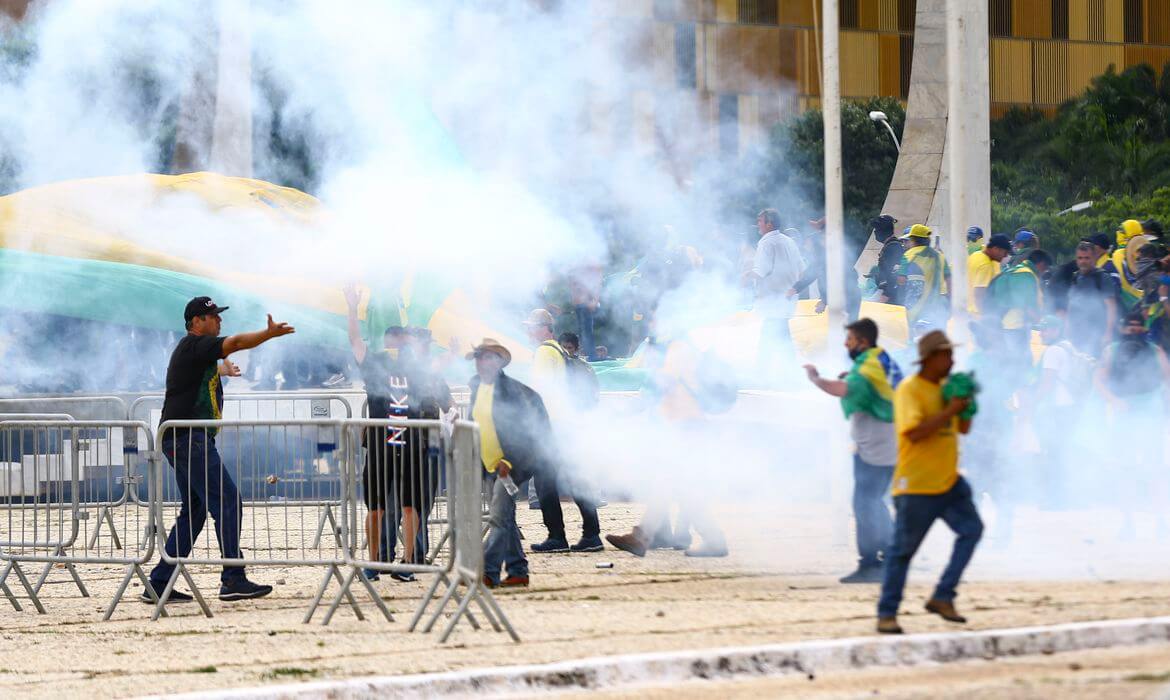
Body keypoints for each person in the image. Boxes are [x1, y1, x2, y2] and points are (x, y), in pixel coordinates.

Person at [144, 297, 295, 604]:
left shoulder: (196, 353)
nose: (218, 321)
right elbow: (237, 342)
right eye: (212, 316)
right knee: (227, 501)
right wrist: (267, 334)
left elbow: (199, 375)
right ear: (196, 322)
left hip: (183, 439)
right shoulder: (194, 346)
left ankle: (159, 583)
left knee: (196, 511)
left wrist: (221, 371)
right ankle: (233, 578)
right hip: (189, 439)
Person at [344, 286, 452, 582]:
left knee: (410, 505)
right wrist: (352, 309)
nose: (397, 344)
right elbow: (354, 340)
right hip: (381, 445)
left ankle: (406, 562)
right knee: (376, 507)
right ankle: (375, 562)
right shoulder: (375, 362)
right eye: (394, 339)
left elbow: (436, 372)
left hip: (412, 445)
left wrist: (449, 354)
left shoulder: (416, 367)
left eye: (401, 339)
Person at [877, 330, 982, 634]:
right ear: (930, 358)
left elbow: (962, 429)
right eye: (946, 355)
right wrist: (950, 409)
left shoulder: (947, 388)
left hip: (949, 480)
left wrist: (967, 406)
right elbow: (913, 432)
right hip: (917, 485)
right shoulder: (911, 389)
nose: (951, 361)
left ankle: (943, 595)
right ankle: (887, 614)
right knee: (902, 553)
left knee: (972, 530)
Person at [804, 318, 903, 584]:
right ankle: (894, 554)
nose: (846, 343)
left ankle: (871, 564)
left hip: (877, 444)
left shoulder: (868, 366)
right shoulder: (878, 359)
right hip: (886, 440)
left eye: (850, 339)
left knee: (865, 503)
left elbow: (843, 389)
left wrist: (816, 379)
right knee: (874, 501)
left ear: (863, 341)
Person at [469, 339, 554, 588]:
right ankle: (518, 571)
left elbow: (523, 433)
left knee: (497, 518)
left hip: (510, 466)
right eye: (478, 357)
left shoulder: (512, 392)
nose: (480, 362)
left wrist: (507, 460)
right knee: (505, 518)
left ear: (498, 361)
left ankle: (488, 572)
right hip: (489, 465)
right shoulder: (476, 386)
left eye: (485, 357)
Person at [522, 309, 603, 553]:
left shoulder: (544, 352)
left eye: (532, 326)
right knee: (575, 478)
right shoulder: (558, 350)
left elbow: (540, 392)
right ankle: (591, 533)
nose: (528, 330)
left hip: (552, 425)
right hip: (565, 423)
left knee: (545, 482)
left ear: (543, 328)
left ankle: (557, 536)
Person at [1093, 312, 1170, 539]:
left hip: (1150, 416)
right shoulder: (1112, 350)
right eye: (1130, 326)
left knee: (1155, 471)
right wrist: (1113, 400)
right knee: (1124, 470)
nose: (1134, 329)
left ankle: (1161, 523)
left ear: (1143, 328)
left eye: (1138, 326)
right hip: (1123, 416)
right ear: (1123, 328)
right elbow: (1098, 379)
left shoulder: (1155, 351)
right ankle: (1128, 523)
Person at [744, 208, 805, 378]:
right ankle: (786, 374)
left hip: (773, 299)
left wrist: (745, 277)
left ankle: (763, 375)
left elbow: (761, 270)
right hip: (788, 297)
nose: (758, 225)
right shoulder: (789, 241)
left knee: (770, 336)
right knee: (779, 334)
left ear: (769, 224)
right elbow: (802, 270)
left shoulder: (766, 242)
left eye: (760, 221)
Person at [986, 249, 1052, 355]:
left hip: (1002, 325)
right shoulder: (1027, 275)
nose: (1045, 272)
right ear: (1041, 264)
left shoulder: (1015, 270)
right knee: (1017, 363)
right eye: (1046, 268)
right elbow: (1030, 308)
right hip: (1015, 329)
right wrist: (1043, 323)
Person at [1067, 241, 1121, 358]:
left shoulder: (1102, 277)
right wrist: (1068, 329)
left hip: (1098, 334)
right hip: (1078, 334)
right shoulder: (1075, 277)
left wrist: (1108, 333)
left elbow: (1111, 307)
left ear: (1094, 258)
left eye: (1087, 258)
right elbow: (1071, 305)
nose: (1083, 261)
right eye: (1080, 258)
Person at [897, 224, 951, 333]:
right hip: (939, 303)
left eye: (908, 240)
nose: (905, 244)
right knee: (939, 336)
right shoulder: (940, 255)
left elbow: (901, 280)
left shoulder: (908, 255)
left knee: (916, 336)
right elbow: (949, 280)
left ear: (913, 239)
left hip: (917, 304)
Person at [967, 233, 1010, 316]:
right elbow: (979, 294)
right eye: (1005, 252)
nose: (1005, 256)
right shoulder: (985, 265)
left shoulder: (975, 255)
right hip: (978, 313)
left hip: (969, 310)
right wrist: (984, 319)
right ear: (996, 249)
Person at [870, 214, 902, 304]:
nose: (875, 232)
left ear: (882, 230)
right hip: (887, 294)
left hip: (891, 298)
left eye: (877, 229)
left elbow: (894, 274)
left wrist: (885, 295)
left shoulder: (893, 247)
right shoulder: (890, 246)